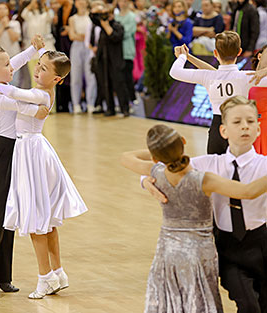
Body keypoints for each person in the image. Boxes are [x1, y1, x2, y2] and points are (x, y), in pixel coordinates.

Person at [122, 121, 267, 313]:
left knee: (173, 300)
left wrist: (160, 151)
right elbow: (248, 191)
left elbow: (126, 157)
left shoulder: (157, 171)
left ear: (155, 156)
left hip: (168, 251)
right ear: (183, 142)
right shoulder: (202, 179)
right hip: (199, 252)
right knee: (199, 302)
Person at [0, 50, 88, 299]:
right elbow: (20, 100)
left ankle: (45, 279)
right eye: (39, 65)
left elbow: (19, 94)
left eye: (44, 69)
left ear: (56, 79)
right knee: (48, 221)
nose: (37, 70)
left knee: (36, 221)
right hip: (32, 150)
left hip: (31, 151)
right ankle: (58, 272)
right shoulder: (39, 94)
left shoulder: (41, 93)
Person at [0, 36, 49, 298]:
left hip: (12, 155)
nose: (12, 68)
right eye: (7, 66)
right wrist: (38, 107)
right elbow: (24, 106)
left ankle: (3, 276)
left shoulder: (0, 82)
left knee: (8, 219)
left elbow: (14, 62)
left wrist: (33, 50)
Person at [169, 31, 267, 154]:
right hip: (238, 128)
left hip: (217, 129)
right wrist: (264, 72)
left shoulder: (209, 76)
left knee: (215, 170)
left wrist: (183, 56)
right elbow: (222, 73)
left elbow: (175, 72)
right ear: (239, 52)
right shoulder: (247, 77)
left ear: (215, 53)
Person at [68, 0, 95, 113]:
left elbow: (92, 34)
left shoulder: (91, 16)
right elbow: (72, 36)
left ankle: (91, 103)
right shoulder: (72, 18)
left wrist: (83, 36)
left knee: (91, 76)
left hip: (89, 47)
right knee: (75, 76)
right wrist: (84, 36)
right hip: (77, 48)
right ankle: (76, 104)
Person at [0, 2, 21, 85]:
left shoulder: (15, 23)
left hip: (13, 55)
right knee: (0, 82)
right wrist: (2, 26)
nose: (2, 11)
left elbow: (15, 38)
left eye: (5, 8)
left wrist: (7, 26)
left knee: (14, 81)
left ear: (9, 11)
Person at [115, 0, 137, 106]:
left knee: (128, 78)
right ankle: (122, 103)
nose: (122, 3)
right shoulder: (116, 16)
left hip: (127, 52)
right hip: (117, 53)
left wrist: (116, 34)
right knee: (119, 80)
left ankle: (131, 100)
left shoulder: (132, 17)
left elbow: (126, 32)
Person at [249, 46, 267, 155]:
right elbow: (217, 74)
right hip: (250, 129)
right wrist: (188, 57)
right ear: (260, 56)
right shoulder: (247, 77)